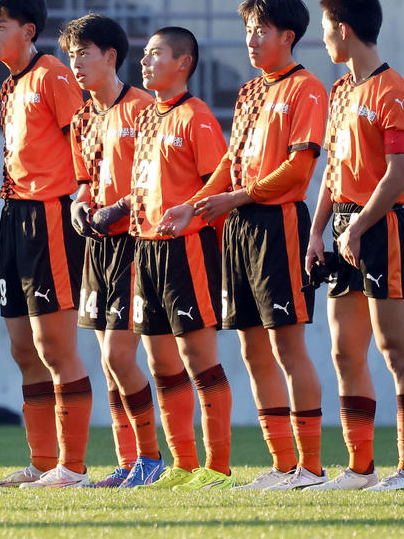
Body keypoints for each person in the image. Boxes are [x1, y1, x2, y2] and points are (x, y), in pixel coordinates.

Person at [160, 0, 329, 490]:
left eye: (261, 30)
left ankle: (311, 467)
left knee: (287, 346)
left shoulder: (307, 88)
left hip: (278, 223)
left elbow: (299, 168)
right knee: (254, 351)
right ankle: (282, 465)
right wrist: (194, 204)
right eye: (249, 30)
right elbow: (230, 163)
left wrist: (236, 197)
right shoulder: (251, 90)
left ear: (287, 37)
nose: (251, 39)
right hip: (240, 226)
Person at [303, 0, 404, 491]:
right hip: (343, 228)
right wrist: (317, 232)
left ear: (344, 28)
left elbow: (398, 175)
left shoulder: (392, 88)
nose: (323, 38)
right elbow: (332, 172)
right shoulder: (338, 92)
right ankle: (360, 470)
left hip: (382, 228)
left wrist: (357, 227)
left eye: (325, 28)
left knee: (396, 351)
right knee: (344, 352)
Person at [0, 0, 92, 489]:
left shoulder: (53, 75)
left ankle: (73, 467)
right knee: (24, 348)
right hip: (14, 215)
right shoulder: (11, 84)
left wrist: (85, 197)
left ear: (28, 31)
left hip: (51, 215)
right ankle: (43, 462)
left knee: (54, 346)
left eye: (0, 25)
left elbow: (84, 140)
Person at [61, 14, 165, 488]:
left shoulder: (143, 108)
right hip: (97, 247)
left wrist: (119, 208)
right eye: (70, 55)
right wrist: (79, 206)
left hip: (135, 243)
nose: (75, 63)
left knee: (120, 357)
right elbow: (84, 181)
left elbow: (155, 179)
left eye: (83, 53)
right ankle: (129, 463)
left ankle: (151, 458)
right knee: (108, 362)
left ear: (110, 56)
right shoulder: (82, 118)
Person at [131, 27, 232, 490]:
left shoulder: (197, 116)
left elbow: (219, 184)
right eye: (145, 54)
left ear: (184, 63)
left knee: (198, 358)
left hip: (187, 249)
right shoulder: (147, 117)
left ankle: (217, 467)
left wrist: (193, 216)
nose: (145, 62)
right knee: (160, 362)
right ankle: (184, 464)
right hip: (146, 248)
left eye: (156, 54)